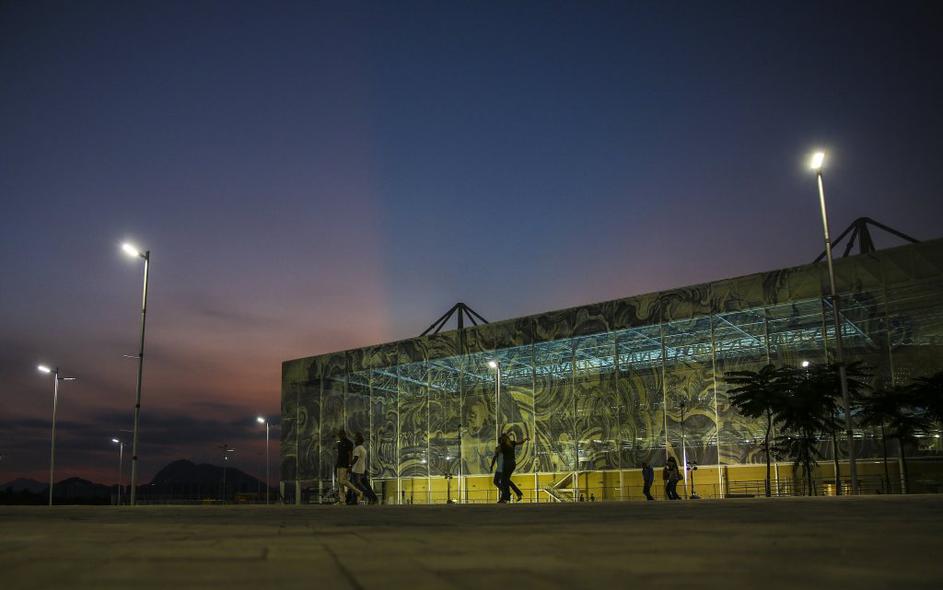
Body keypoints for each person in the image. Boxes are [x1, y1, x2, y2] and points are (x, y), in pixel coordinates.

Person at [335, 429, 363, 505]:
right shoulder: (339, 443)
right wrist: (336, 465)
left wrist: (350, 465)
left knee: (343, 481)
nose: (340, 436)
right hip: (339, 464)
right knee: (340, 483)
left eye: (341, 435)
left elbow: (350, 455)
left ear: (344, 434)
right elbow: (339, 455)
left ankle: (358, 492)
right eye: (339, 435)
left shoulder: (349, 443)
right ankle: (342, 500)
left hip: (345, 464)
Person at [350, 432, 378, 504]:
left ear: (358, 441)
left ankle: (369, 496)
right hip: (362, 469)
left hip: (356, 470)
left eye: (355, 439)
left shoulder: (357, 449)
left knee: (357, 485)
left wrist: (350, 465)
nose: (354, 441)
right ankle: (354, 500)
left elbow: (355, 458)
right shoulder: (363, 449)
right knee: (358, 485)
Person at [500, 432, 528, 503]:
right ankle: (515, 495)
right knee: (506, 480)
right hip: (513, 463)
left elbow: (498, 450)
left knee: (504, 480)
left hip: (507, 463)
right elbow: (520, 442)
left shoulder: (503, 445)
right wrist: (525, 439)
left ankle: (507, 497)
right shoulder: (512, 443)